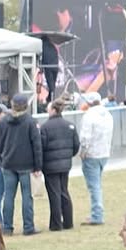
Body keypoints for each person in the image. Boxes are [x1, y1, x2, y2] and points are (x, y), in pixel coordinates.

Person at [0, 93, 42, 236]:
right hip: (27, 165)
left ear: (12, 105)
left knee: (8, 196)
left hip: (8, 163)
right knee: (27, 196)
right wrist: (38, 166)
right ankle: (28, 227)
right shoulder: (30, 122)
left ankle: (7, 227)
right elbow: (37, 145)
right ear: (26, 106)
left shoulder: (3, 122)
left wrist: (2, 157)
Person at [39, 98, 80, 231]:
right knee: (64, 191)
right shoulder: (70, 125)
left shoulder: (45, 127)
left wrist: (40, 164)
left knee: (54, 194)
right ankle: (68, 221)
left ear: (53, 110)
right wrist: (67, 156)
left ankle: (56, 223)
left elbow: (41, 147)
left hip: (50, 165)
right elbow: (76, 145)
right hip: (65, 164)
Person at [79, 90, 114, 226]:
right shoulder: (107, 114)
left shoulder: (89, 116)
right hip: (104, 152)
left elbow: (85, 137)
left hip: (92, 154)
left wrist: (83, 151)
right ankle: (97, 213)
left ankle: (97, 215)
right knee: (97, 184)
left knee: (94, 186)